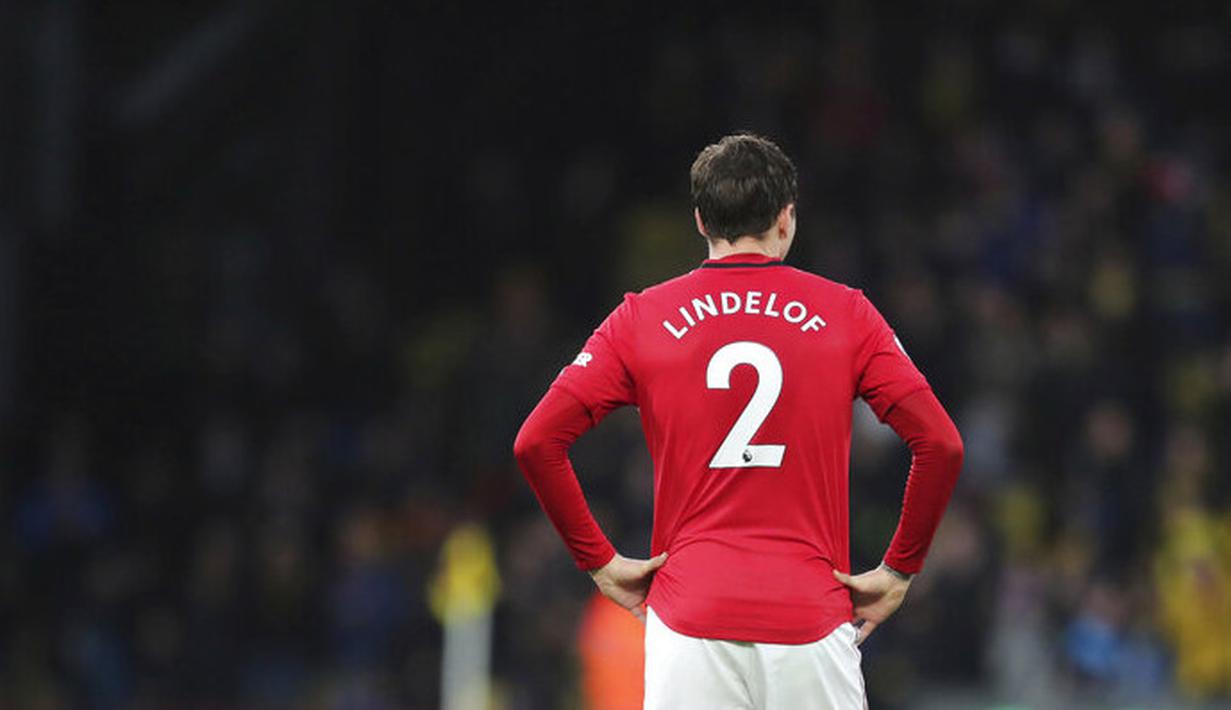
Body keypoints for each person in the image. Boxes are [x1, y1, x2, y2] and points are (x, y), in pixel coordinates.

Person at [513, 133, 964, 709]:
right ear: (786, 217)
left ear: (701, 221)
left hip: (690, 623)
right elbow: (941, 444)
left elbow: (536, 442)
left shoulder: (642, 318)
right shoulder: (846, 314)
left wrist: (598, 561)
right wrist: (900, 569)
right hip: (810, 616)